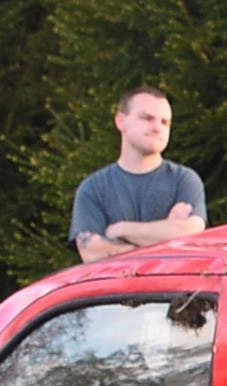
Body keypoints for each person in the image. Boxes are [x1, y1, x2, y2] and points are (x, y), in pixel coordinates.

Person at [71, 88, 207, 261]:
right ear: (121, 122)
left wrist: (122, 230)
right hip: (117, 281)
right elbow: (92, 252)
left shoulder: (184, 180)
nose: (157, 128)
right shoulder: (93, 188)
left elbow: (192, 233)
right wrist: (166, 234)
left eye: (165, 122)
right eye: (147, 118)